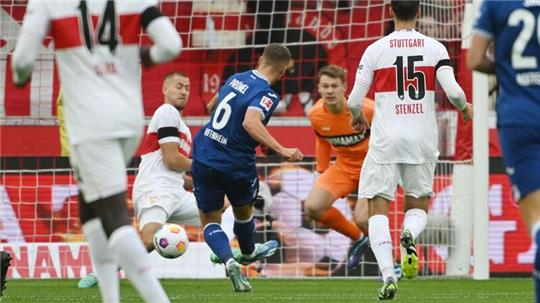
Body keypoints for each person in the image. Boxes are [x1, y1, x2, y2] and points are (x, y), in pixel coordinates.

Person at [11, 1, 181, 302]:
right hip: (128, 119)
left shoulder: (48, 3)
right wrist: (144, 56)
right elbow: (170, 45)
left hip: (90, 122)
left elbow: (22, 61)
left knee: (114, 214)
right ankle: (110, 298)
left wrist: (20, 77)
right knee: (90, 210)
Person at [347, 0, 473, 300]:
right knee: (417, 205)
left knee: (378, 208)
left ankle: (389, 274)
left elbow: (353, 101)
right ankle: (409, 235)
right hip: (422, 138)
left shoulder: (376, 49)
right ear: (419, 12)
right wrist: (466, 108)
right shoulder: (435, 48)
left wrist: (357, 116)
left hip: (385, 140)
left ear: (390, 11)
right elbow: (453, 91)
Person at [191, 43, 303, 292]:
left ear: (261, 58)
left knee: (210, 220)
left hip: (205, 153)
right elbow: (251, 122)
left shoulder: (236, 77)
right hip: (235, 163)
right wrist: (282, 149)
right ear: (283, 71)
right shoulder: (268, 94)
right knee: (244, 212)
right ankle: (249, 251)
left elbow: (211, 107)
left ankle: (229, 260)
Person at [77, 72, 199, 288]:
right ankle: (101, 271)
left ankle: (232, 256)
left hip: (176, 192)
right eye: (179, 86)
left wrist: (204, 181)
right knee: (149, 239)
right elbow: (171, 160)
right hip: (155, 188)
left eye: (187, 88)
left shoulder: (185, 130)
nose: (183, 92)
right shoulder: (166, 112)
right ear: (165, 89)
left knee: (222, 206)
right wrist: (209, 168)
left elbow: (178, 175)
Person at [468, 1, 540, 301]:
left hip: (518, 117)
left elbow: (474, 59)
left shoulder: (497, 3)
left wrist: (506, 70)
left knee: (537, 224)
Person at [304, 64, 373, 269]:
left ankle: (392, 262)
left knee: (363, 218)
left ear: (345, 88)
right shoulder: (316, 114)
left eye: (334, 86)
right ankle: (359, 239)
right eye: (325, 86)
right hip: (344, 167)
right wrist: (320, 173)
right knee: (313, 207)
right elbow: (323, 142)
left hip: (372, 167)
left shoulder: (368, 110)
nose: (330, 91)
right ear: (318, 88)